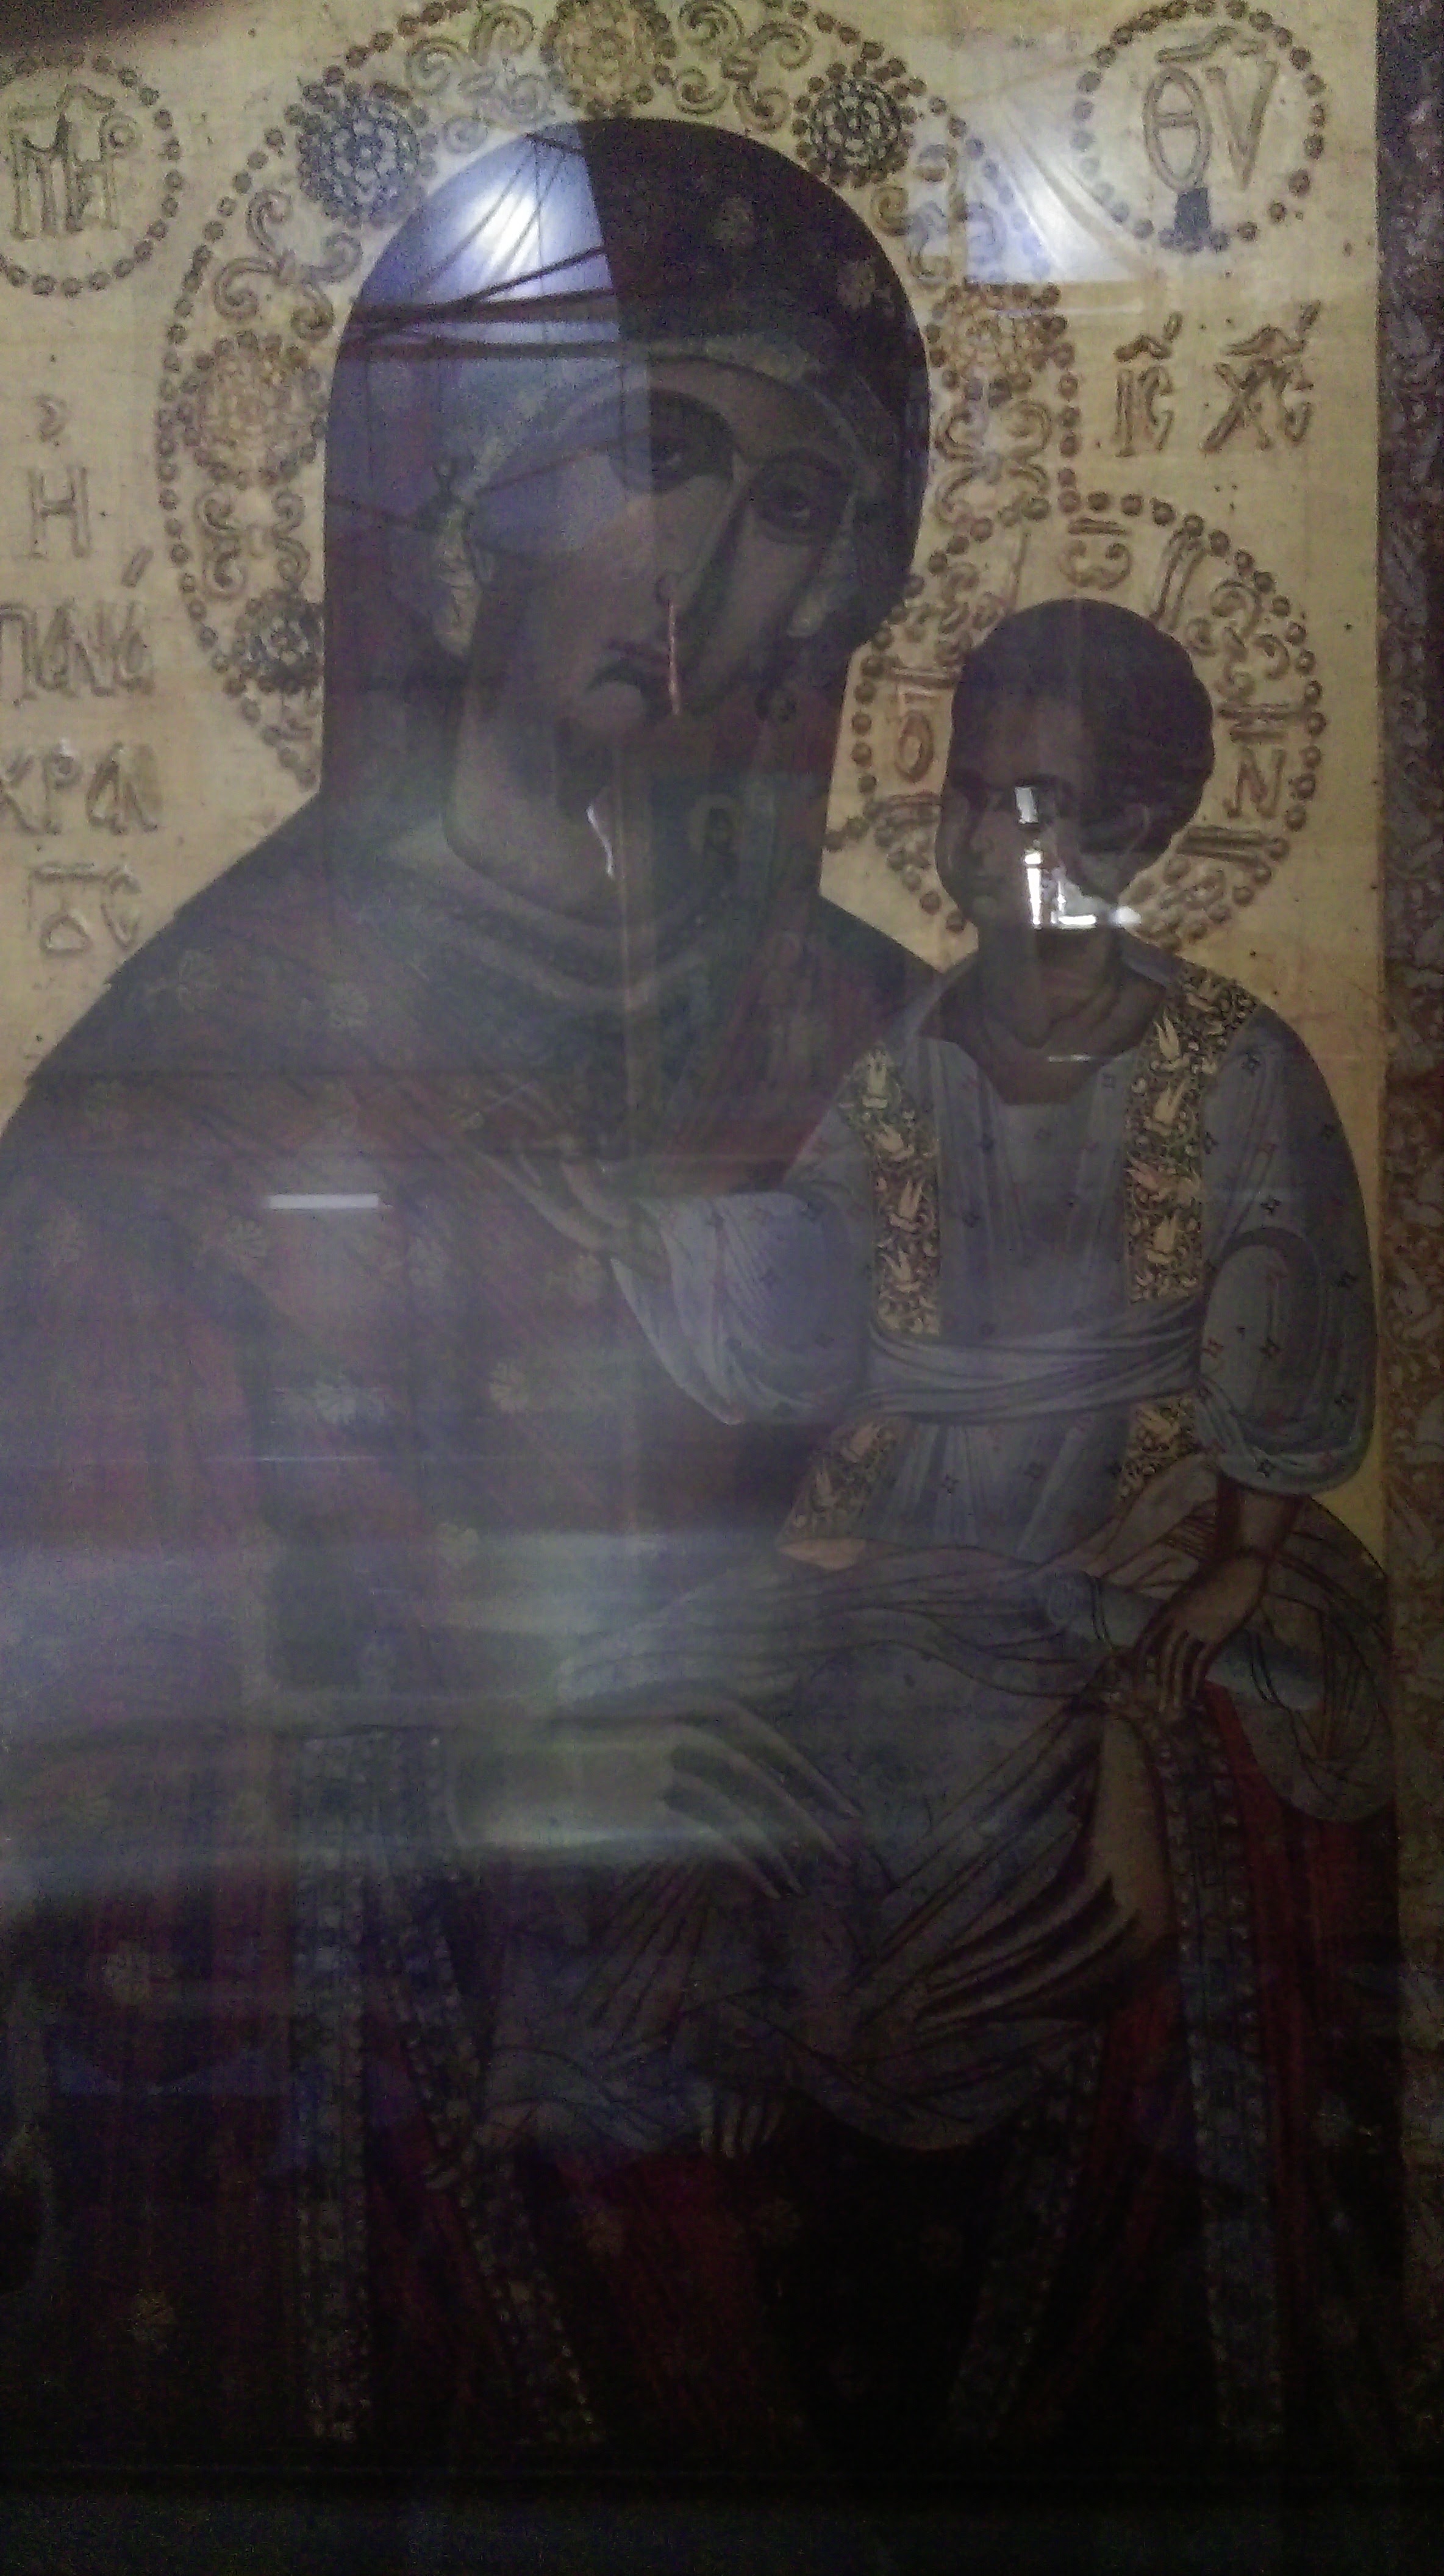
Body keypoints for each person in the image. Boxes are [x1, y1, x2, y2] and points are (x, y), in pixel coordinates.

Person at [0, 120, 932, 2464]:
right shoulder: (204, 1070)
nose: (711, 564)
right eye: (654, 452)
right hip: (393, 2090)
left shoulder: (884, 1035)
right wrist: (475, 1761)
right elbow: (77, 1677)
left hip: (810, 2048)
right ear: (456, 516)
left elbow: (1042, 1522)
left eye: (795, 504)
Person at [476, 599, 1395, 2460]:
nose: (982, 839)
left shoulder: (1227, 1062)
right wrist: (641, 1236)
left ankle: (837, 2048)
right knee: (632, 1697)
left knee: (962, 1779)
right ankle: (700, 2060)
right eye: (969, 794)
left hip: (1112, 1519)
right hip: (901, 1513)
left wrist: (1235, 1547)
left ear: (1136, 832)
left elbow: (1286, 1307)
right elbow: (818, 1283)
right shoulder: (913, 1052)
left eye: (1032, 801)